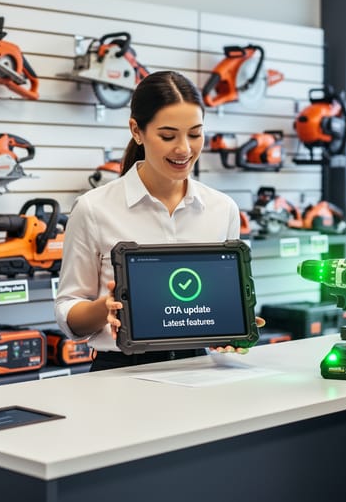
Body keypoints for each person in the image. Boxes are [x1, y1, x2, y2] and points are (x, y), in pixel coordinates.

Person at [54, 70, 253, 372]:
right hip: (120, 373)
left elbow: (222, 300)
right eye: (168, 136)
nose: (184, 149)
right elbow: (68, 310)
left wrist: (234, 324)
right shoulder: (93, 208)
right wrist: (104, 308)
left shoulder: (222, 209)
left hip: (199, 370)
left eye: (195, 134)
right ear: (137, 130)